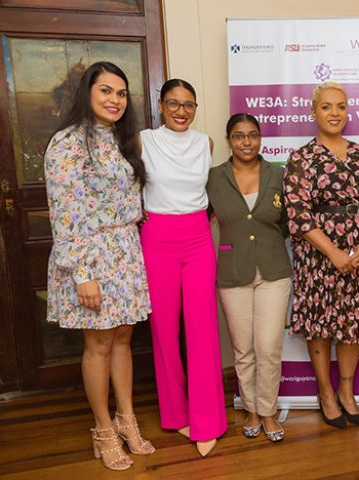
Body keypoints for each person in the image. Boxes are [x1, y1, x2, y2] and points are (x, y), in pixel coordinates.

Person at [44, 61, 154, 471]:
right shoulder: (68, 142)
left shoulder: (121, 140)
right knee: (99, 343)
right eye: (106, 90)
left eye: (121, 93)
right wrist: (82, 273)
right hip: (90, 255)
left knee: (123, 338)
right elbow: (65, 212)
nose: (114, 100)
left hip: (125, 250)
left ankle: (127, 419)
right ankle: (103, 429)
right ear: (87, 93)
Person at [283, 82, 359, 429]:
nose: (334, 113)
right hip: (318, 256)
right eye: (326, 107)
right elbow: (298, 213)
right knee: (320, 323)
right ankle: (325, 393)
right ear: (313, 112)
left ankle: (347, 391)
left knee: (351, 325)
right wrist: (333, 253)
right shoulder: (301, 157)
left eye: (341, 107)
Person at [139, 79, 226, 457]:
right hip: (157, 238)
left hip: (197, 238)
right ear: (160, 105)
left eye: (189, 104)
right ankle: (175, 413)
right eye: (173, 103)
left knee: (202, 327)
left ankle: (208, 420)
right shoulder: (143, 141)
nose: (181, 111)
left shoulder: (205, 143)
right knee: (163, 328)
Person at [206, 113, 291, 442]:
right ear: (229, 140)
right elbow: (198, 217)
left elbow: (287, 222)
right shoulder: (213, 178)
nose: (246, 142)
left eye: (253, 135)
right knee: (243, 349)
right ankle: (251, 409)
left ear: (260, 138)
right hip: (232, 271)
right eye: (239, 136)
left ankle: (268, 412)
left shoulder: (278, 174)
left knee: (268, 346)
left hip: (273, 270)